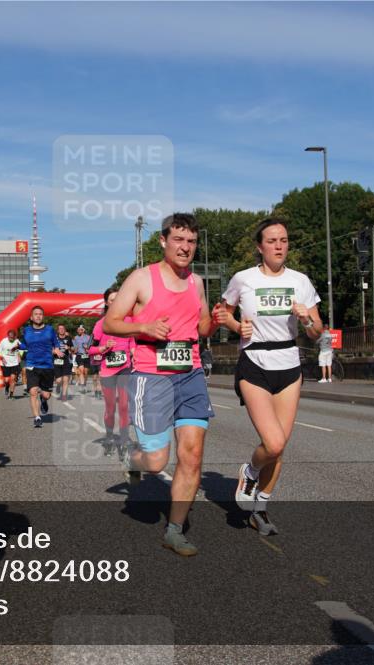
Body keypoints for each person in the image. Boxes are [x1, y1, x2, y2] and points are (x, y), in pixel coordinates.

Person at [104, 214, 219, 557]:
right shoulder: (142, 278)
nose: (186, 247)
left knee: (192, 455)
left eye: (192, 241)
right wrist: (144, 329)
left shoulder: (197, 283)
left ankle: (174, 529)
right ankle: (134, 458)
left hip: (191, 374)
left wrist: (219, 319)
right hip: (152, 377)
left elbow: (202, 328)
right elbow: (111, 322)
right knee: (156, 462)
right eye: (179, 240)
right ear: (163, 241)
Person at [216, 217, 322, 537]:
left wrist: (306, 320)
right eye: (272, 241)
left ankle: (260, 508)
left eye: (284, 240)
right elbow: (221, 312)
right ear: (259, 247)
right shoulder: (243, 279)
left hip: (289, 365)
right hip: (255, 363)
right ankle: (249, 471)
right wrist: (236, 327)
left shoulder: (301, 281)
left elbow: (318, 333)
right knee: (272, 442)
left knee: (279, 447)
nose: (279, 246)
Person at [89, 287, 134, 454]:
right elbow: (90, 349)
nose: (115, 303)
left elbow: (132, 341)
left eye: (118, 299)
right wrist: (103, 348)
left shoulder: (128, 320)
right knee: (110, 408)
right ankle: (109, 436)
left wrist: (133, 350)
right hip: (108, 370)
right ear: (107, 303)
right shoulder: (100, 324)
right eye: (112, 300)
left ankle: (123, 440)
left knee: (123, 405)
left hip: (125, 368)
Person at [20, 306, 57, 428]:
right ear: (31, 317)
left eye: (40, 314)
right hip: (32, 365)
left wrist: (56, 349)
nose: (38, 316)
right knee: (33, 391)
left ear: (43, 316)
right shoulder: (26, 330)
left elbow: (56, 343)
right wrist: (16, 346)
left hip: (47, 365)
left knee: (46, 394)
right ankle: (37, 417)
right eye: (36, 314)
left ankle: (44, 400)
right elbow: (24, 345)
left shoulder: (50, 330)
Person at [0, 328, 22, 398]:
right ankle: (7, 387)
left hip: (14, 363)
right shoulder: (3, 341)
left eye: (12, 337)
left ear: (14, 336)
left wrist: (19, 356)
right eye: (9, 337)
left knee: (13, 378)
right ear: (7, 336)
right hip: (5, 363)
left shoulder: (17, 341)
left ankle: (11, 394)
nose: (11, 339)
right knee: (7, 380)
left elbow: (22, 349)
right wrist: (2, 358)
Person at [53, 324, 73, 401]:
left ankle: (64, 395)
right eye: (60, 329)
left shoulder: (68, 338)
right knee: (59, 380)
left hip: (66, 361)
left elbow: (73, 349)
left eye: (63, 328)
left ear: (65, 330)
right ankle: (58, 386)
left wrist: (69, 348)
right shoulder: (54, 338)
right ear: (58, 330)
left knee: (65, 379)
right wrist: (55, 352)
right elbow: (50, 349)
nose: (61, 330)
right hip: (56, 360)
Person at [73, 324, 92, 393]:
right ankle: (82, 386)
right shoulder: (75, 338)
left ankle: (85, 384)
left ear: (83, 330)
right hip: (79, 355)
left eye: (80, 330)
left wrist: (87, 348)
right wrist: (74, 350)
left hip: (86, 355)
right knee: (81, 370)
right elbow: (74, 347)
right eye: (77, 330)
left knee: (85, 372)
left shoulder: (88, 337)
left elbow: (91, 347)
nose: (78, 331)